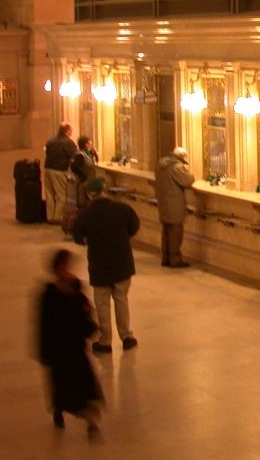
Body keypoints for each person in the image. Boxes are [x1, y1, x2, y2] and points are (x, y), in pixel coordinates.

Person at [37, 248, 103, 440]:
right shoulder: (49, 294)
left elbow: (84, 311)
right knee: (62, 385)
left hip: (75, 347)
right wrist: (44, 351)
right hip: (59, 349)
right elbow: (44, 324)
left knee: (85, 385)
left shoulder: (75, 285)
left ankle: (91, 421)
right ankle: (59, 410)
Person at [73, 176, 140, 354]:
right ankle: (126, 336)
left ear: (89, 196)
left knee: (102, 304)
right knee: (121, 300)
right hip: (122, 263)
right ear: (105, 191)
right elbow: (134, 227)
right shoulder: (122, 209)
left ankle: (105, 340)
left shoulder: (85, 215)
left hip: (99, 266)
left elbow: (78, 237)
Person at [155, 146, 195, 268]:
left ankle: (165, 258)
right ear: (182, 156)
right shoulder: (176, 167)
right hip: (174, 204)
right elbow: (188, 180)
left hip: (163, 202)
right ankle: (175, 259)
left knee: (166, 231)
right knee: (175, 233)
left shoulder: (161, 164)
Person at [43, 123, 77, 229]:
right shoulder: (68, 143)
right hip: (59, 170)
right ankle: (57, 217)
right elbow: (73, 157)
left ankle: (49, 217)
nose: (72, 133)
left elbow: (46, 152)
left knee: (49, 193)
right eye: (71, 131)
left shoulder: (51, 141)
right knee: (61, 194)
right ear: (67, 131)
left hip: (47, 169)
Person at [67, 136, 99, 216]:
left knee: (87, 199)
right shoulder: (80, 155)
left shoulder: (86, 154)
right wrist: (83, 177)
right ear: (86, 144)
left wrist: (95, 154)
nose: (91, 144)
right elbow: (74, 167)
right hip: (84, 180)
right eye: (89, 142)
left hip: (88, 180)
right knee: (84, 199)